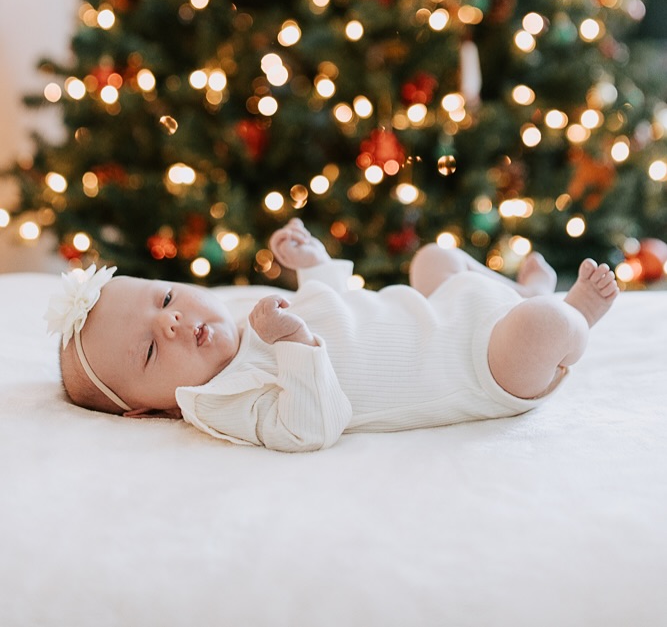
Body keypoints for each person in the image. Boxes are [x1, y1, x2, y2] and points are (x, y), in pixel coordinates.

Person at [48, 219, 619, 452]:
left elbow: (334, 306)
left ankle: (518, 292)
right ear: (152, 412)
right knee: (538, 331)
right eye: (150, 350)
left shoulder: (248, 315)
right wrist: (295, 343)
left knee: (433, 257)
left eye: (165, 298)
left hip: (438, 311)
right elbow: (313, 425)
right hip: (477, 369)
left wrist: (314, 264)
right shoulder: (221, 400)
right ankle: (570, 313)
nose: (170, 323)